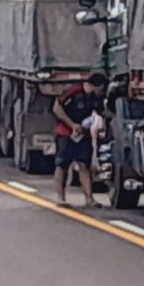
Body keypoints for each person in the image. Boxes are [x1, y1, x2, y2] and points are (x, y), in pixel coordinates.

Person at [52, 73, 108, 208]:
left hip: (83, 134)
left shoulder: (96, 98)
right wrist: (72, 125)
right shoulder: (74, 91)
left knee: (84, 165)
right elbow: (57, 107)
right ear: (92, 85)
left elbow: (101, 113)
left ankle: (89, 198)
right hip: (66, 132)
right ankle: (61, 198)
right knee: (62, 165)